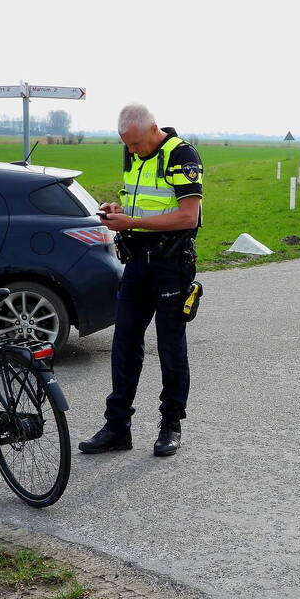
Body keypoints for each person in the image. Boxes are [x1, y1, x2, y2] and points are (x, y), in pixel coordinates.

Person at [79, 104, 203, 457]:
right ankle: (117, 427)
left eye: (135, 144)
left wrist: (131, 223)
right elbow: (139, 203)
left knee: (170, 346)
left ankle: (170, 424)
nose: (131, 151)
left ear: (153, 129)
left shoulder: (181, 155)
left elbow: (187, 216)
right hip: (136, 262)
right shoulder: (132, 153)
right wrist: (118, 212)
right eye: (126, 145)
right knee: (124, 343)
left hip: (170, 263)